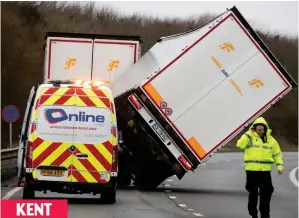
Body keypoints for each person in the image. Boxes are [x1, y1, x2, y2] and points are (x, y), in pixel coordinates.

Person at [236, 117, 283, 218]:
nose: (261, 131)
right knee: (253, 194)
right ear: (254, 129)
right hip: (251, 171)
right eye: (258, 130)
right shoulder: (249, 137)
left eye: (262, 129)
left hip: (265, 172)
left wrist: (279, 166)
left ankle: (265, 215)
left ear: (265, 129)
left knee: (266, 194)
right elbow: (239, 145)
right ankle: (253, 214)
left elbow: (277, 154)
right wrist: (248, 133)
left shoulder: (271, 140)